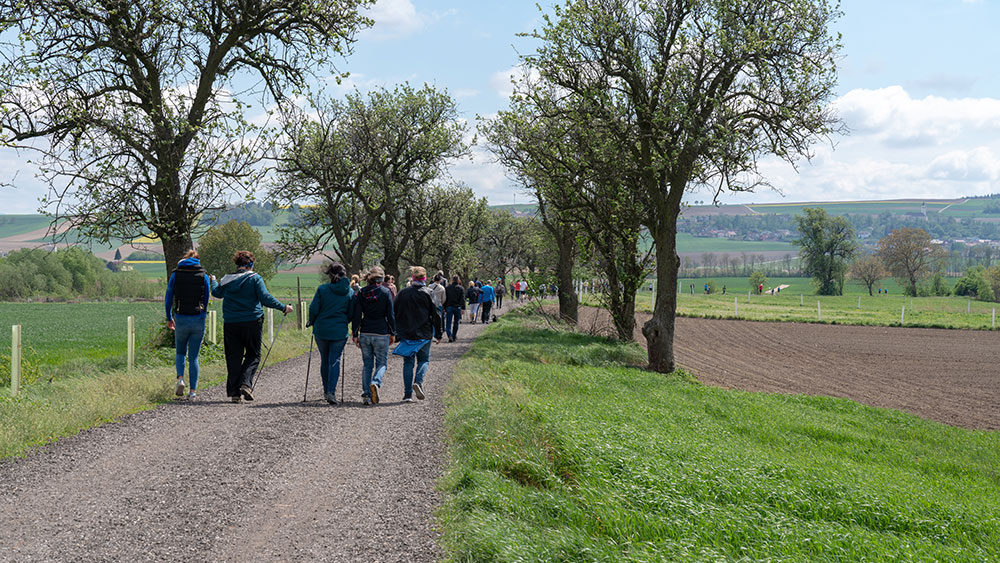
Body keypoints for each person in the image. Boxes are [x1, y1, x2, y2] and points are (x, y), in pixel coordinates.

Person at [212, 251, 292, 403]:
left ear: (237, 265)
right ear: (251, 264)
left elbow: (216, 293)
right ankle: (246, 384)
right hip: (252, 321)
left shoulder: (227, 279)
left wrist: (214, 281)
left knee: (233, 357)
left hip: (231, 323)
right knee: (254, 355)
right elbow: (265, 297)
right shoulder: (255, 278)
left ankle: (235, 393)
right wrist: (283, 307)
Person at [164, 250, 217, 401]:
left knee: (180, 352)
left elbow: (168, 298)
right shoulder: (203, 275)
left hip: (181, 317)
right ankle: (192, 392)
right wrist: (202, 314)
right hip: (197, 318)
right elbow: (206, 298)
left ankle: (180, 379)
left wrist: (169, 317)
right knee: (193, 357)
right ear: (197, 261)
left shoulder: (176, 274)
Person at [392, 266, 443, 402]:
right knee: (424, 360)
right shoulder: (429, 293)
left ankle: (407, 394)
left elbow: (394, 312)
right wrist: (439, 333)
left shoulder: (403, 293)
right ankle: (418, 382)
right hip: (424, 333)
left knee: (408, 363)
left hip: (406, 332)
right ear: (425, 278)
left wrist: (395, 331)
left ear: (412, 277)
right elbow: (437, 314)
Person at [308, 262, 355, 405]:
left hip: (321, 329)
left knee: (325, 359)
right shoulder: (350, 292)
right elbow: (351, 313)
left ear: (330, 275)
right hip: (339, 331)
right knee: (335, 360)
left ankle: (325, 390)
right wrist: (344, 322)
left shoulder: (322, 289)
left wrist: (312, 321)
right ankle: (331, 392)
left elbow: (313, 308)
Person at [352, 266, 395, 405]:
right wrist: (393, 332)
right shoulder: (386, 292)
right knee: (382, 363)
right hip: (381, 332)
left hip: (365, 332)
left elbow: (357, 314)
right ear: (381, 278)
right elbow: (390, 315)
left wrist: (355, 333)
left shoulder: (361, 293)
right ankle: (375, 382)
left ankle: (366, 395)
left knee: (367, 364)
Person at [443, 275, 466, 342]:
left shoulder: (447, 288)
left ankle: (449, 335)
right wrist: (463, 308)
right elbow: (462, 299)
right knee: (456, 322)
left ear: (452, 280)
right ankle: (454, 335)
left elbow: (445, 299)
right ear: (458, 280)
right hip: (457, 307)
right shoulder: (461, 288)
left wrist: (444, 307)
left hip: (449, 306)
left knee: (448, 322)